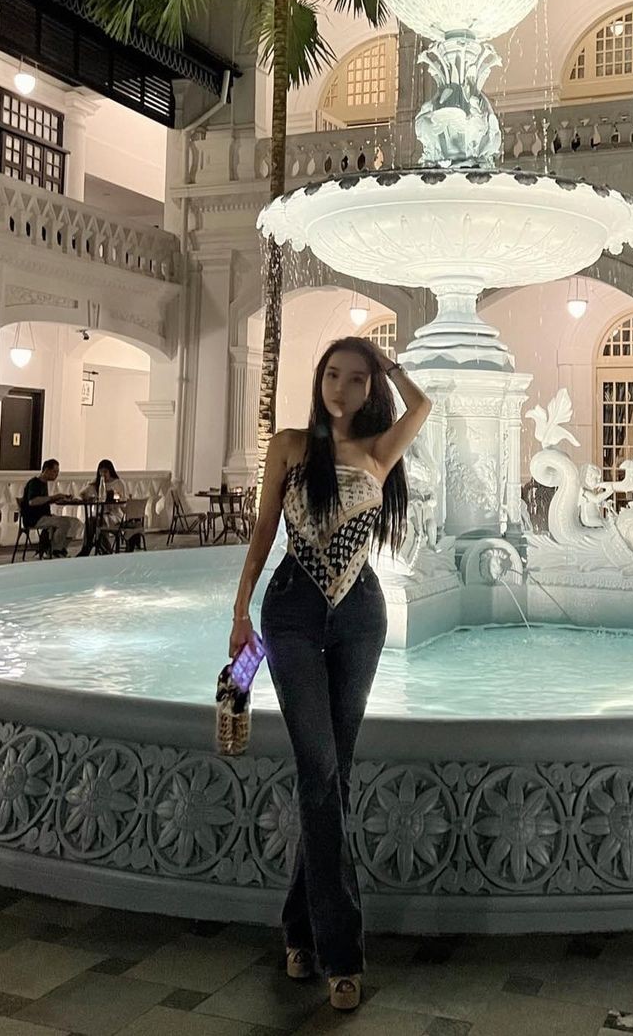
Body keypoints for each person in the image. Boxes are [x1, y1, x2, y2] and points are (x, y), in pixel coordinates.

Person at [229, 337, 431, 1012]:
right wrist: (239, 613)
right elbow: (263, 531)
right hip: (290, 612)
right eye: (333, 375)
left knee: (332, 776)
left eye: (356, 379)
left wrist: (388, 361)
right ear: (319, 380)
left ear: (372, 388)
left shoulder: (378, 451)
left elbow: (424, 405)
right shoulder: (290, 446)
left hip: (360, 617)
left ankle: (298, 927)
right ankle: (341, 953)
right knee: (318, 769)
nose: (341, 388)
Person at [20, 459, 81, 557]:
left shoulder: (44, 483)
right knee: (64, 522)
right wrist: (53, 497)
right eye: (54, 471)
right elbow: (32, 501)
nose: (56, 474)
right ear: (46, 470)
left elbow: (44, 501)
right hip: (35, 518)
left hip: (45, 516)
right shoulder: (34, 483)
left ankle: (61, 548)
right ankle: (54, 550)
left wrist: (59, 498)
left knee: (75, 522)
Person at [79, 459, 127, 556]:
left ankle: (104, 549)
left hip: (114, 514)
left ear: (110, 471)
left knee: (98, 522)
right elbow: (82, 493)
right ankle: (88, 546)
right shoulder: (97, 483)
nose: (103, 474)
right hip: (99, 513)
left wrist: (114, 497)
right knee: (91, 521)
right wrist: (91, 487)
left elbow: (123, 502)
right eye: (100, 472)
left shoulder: (118, 483)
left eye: (105, 472)